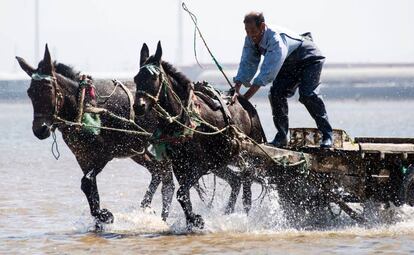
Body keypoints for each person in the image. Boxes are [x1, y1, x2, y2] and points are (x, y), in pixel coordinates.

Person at [232, 11, 333, 148]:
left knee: (307, 95)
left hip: (308, 58)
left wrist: (244, 99)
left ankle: (327, 135)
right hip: (288, 65)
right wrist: (236, 89)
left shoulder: (275, 39)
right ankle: (281, 136)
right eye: (247, 30)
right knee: (275, 94)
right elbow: (247, 63)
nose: (250, 34)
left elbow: (267, 73)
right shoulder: (250, 39)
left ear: (262, 26)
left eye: (253, 30)